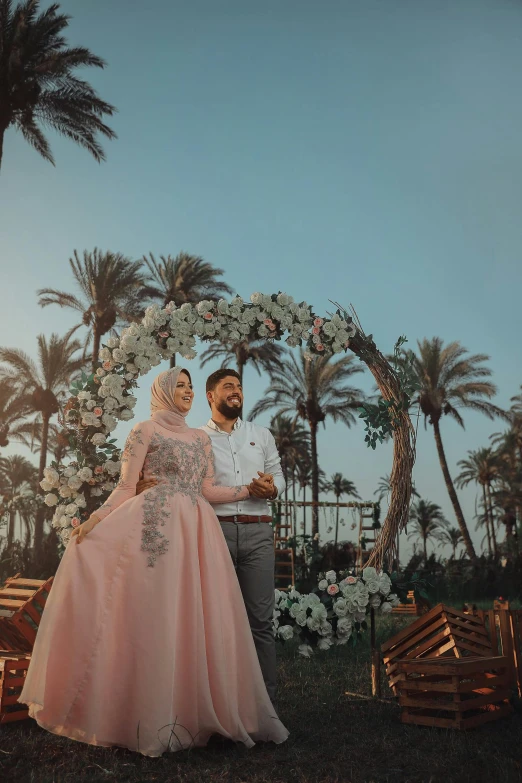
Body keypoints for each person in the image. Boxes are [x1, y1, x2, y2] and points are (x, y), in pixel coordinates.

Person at [19, 367, 288, 758]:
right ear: (162, 391)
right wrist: (95, 520)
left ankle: (202, 709)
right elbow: (127, 486)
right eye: (179, 386)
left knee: (201, 617)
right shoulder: (143, 430)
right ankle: (147, 711)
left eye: (190, 387)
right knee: (158, 616)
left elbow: (207, 489)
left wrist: (249, 489)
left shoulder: (199, 437)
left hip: (198, 532)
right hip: (157, 529)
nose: (187, 392)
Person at [137, 368, 285, 705]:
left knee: (261, 621)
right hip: (212, 533)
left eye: (239, 386)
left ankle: (266, 705)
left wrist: (273, 487)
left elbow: (277, 473)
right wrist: (144, 483)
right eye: (227, 386)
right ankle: (218, 703)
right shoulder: (196, 438)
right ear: (211, 396)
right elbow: (190, 483)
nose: (236, 391)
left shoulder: (260, 435)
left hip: (258, 531)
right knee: (214, 620)